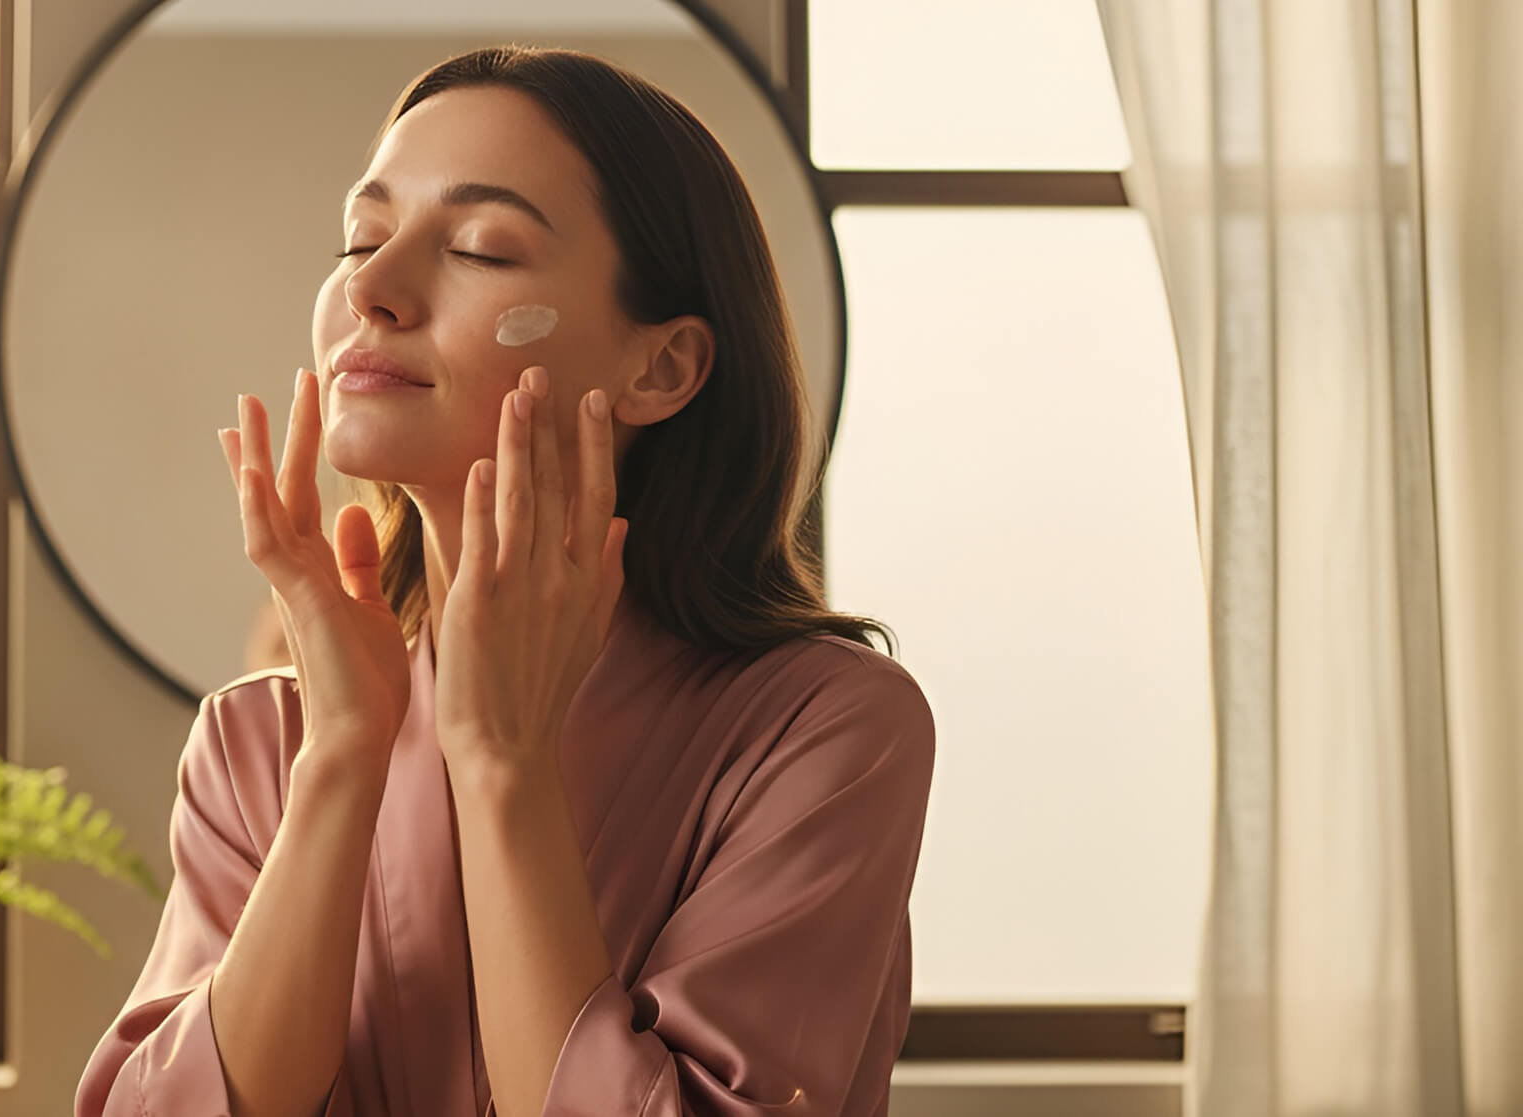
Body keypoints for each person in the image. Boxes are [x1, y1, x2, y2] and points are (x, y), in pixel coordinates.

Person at [76, 45, 934, 1117]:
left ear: (660, 367)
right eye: (361, 236)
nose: (371, 290)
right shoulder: (261, 748)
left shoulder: (826, 729)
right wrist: (342, 756)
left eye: (480, 247)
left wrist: (501, 760)